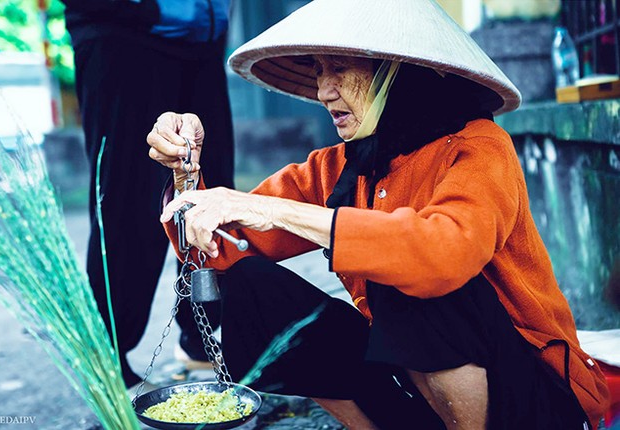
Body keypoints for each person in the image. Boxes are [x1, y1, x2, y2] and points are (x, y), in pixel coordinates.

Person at [147, 0, 609, 428]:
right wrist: (188, 171)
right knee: (253, 287)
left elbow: (443, 253)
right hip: (410, 384)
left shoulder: (480, 147)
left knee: (406, 269)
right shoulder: (339, 167)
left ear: (396, 71)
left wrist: (271, 208)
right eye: (319, 71)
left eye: (340, 69)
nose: (324, 90)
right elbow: (216, 247)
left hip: (534, 398)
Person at [62, 0, 234, 389]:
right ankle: (108, 356)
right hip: (124, 37)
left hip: (203, 41)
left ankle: (199, 338)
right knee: (129, 199)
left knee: (211, 187)